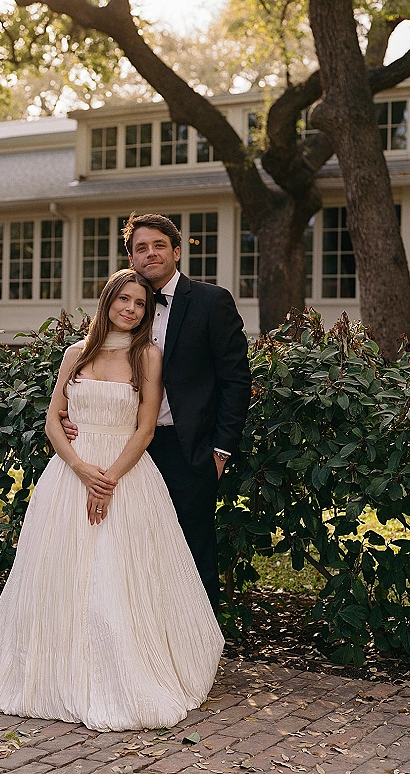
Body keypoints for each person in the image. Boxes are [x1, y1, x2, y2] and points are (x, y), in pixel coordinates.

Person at [0, 269, 224, 733]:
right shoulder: (76, 353)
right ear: (108, 300)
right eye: (124, 300)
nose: (131, 310)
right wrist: (80, 468)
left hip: (125, 476)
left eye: (140, 304)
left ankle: (117, 672)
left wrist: (108, 479)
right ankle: (54, 670)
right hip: (70, 477)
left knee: (118, 578)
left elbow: (146, 429)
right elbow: (54, 419)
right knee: (60, 577)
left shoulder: (148, 357)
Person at [62, 214, 251, 613]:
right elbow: (95, 372)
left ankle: (197, 653)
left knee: (189, 553)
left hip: (189, 450)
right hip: (125, 447)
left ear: (176, 251)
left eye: (159, 245)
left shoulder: (211, 302)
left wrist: (220, 452)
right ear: (131, 257)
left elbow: (236, 382)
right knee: (129, 553)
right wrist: (76, 414)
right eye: (141, 248)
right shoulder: (127, 307)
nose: (151, 254)